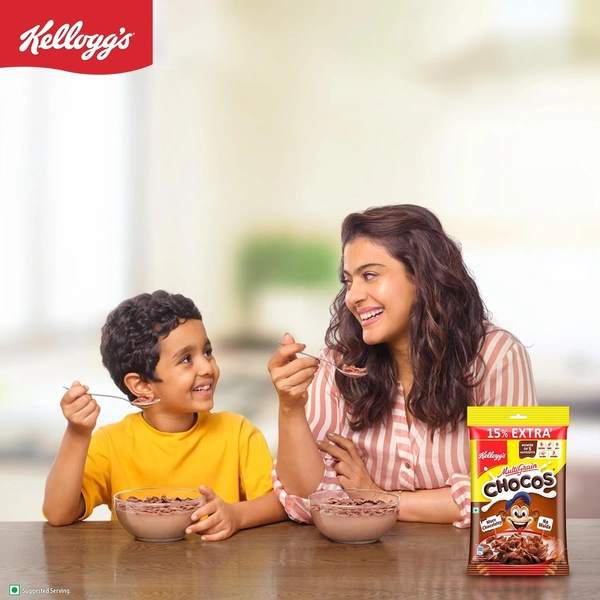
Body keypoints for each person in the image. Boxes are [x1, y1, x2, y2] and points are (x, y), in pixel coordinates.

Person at [268, 204, 537, 528]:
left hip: (468, 559)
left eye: (369, 275)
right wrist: (290, 408)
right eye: (348, 281)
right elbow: (307, 502)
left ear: (423, 275)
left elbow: (513, 492)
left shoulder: (495, 356)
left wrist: (377, 497)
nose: (353, 296)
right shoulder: (338, 365)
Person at [43, 290, 286, 540]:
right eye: (186, 359)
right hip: (135, 562)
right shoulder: (110, 443)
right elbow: (59, 514)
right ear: (142, 386)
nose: (207, 367)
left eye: (207, 352)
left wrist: (236, 515)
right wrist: (77, 433)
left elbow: (284, 502)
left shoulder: (237, 433)